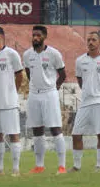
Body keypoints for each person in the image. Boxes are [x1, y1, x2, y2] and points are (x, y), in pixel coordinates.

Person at [68, 31, 100, 173]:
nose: (90, 42)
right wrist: (88, 91)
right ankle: (77, 166)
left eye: (94, 40)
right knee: (76, 134)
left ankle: (99, 166)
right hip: (85, 102)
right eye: (88, 40)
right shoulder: (80, 60)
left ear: (99, 42)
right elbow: (79, 79)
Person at [23, 25, 67, 174]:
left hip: (50, 94)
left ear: (44, 36)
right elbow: (29, 73)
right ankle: (39, 165)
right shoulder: (27, 55)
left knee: (55, 128)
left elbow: (63, 74)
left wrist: (54, 88)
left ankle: (62, 166)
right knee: (37, 130)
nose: (35, 38)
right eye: (33, 35)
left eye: (38, 35)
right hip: (34, 94)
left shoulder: (54, 53)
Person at [0, 26, 24, 177]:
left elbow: (19, 75)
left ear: (1, 36)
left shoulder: (11, 54)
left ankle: (15, 168)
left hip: (9, 103)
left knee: (13, 134)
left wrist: (12, 92)